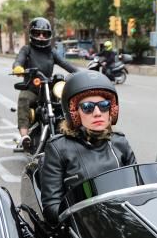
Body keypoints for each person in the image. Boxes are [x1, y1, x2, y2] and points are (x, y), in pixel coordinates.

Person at [39, 71, 136, 224]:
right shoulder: (58, 148)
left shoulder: (120, 142)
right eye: (88, 107)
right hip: (85, 228)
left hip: (122, 221)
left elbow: (137, 188)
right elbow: (51, 207)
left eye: (104, 105)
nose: (98, 113)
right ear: (74, 113)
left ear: (112, 110)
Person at [11, 18, 78, 148]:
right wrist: (18, 68)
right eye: (37, 33)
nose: (41, 36)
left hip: (49, 87)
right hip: (32, 88)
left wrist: (81, 74)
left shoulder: (51, 51)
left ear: (49, 35)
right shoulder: (27, 49)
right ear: (32, 34)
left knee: (65, 101)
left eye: (44, 34)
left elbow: (66, 64)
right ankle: (24, 135)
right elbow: (19, 60)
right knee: (23, 98)